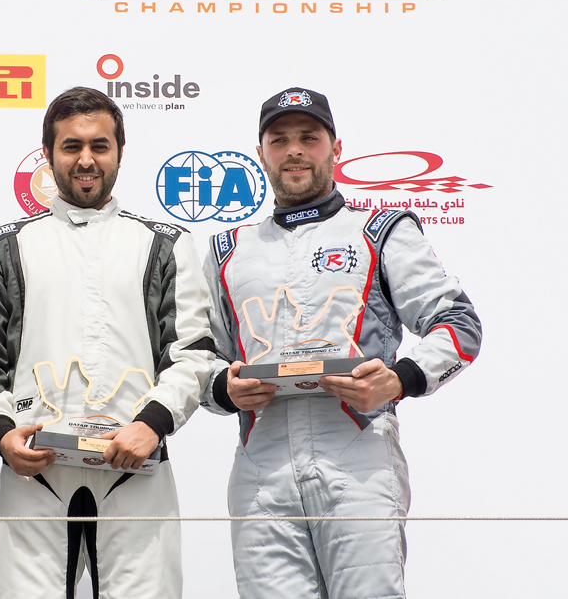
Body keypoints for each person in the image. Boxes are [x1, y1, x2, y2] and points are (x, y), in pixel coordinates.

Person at [200, 87, 482, 598]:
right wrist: (224, 388)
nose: (294, 150)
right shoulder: (228, 249)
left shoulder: (380, 231)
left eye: (308, 137)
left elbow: (458, 323)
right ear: (261, 152)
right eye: (279, 140)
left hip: (359, 457)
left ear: (336, 148)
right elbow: (199, 357)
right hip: (261, 466)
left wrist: (398, 380)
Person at [0, 86, 215, 599]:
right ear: (48, 153)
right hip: (34, 472)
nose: (86, 159)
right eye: (71, 146)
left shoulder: (165, 243)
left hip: (135, 468)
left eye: (100, 145)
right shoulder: (4, 245)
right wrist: (2, 434)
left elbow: (192, 353)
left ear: (120, 151)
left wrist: (151, 424)